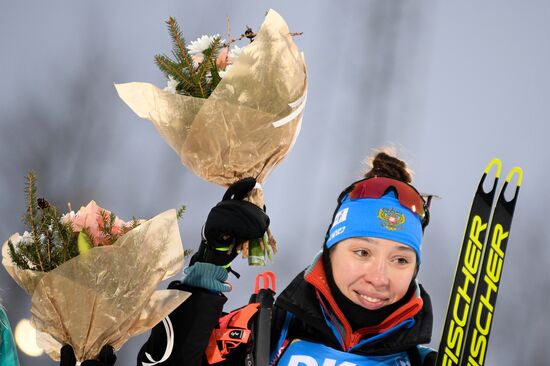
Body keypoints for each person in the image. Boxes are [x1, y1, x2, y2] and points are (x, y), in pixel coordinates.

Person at [137, 150, 437, 365]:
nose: (378, 277)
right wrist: (211, 263)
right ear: (330, 253)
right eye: (362, 252)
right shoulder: (262, 330)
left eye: (400, 260)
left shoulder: (423, 361)